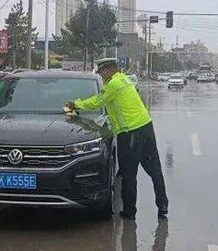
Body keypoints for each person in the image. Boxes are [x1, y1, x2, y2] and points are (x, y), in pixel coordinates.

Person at [66, 59, 168, 220]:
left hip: (130, 132)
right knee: (155, 169)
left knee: (128, 174)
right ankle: (163, 206)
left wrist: (75, 105)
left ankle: (129, 212)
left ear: (108, 71)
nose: (101, 76)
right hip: (146, 126)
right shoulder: (124, 79)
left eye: (101, 73)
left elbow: (97, 102)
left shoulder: (113, 85)